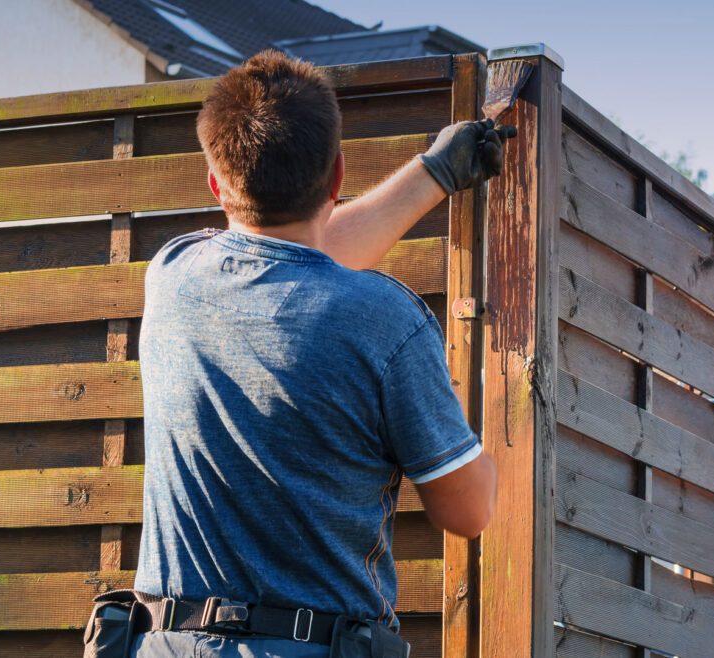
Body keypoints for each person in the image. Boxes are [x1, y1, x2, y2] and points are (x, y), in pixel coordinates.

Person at [130, 50, 506, 658]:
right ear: (336, 177)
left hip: (167, 643)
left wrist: (435, 174)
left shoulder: (172, 275)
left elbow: (289, 265)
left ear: (215, 183)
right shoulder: (387, 322)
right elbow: (469, 510)